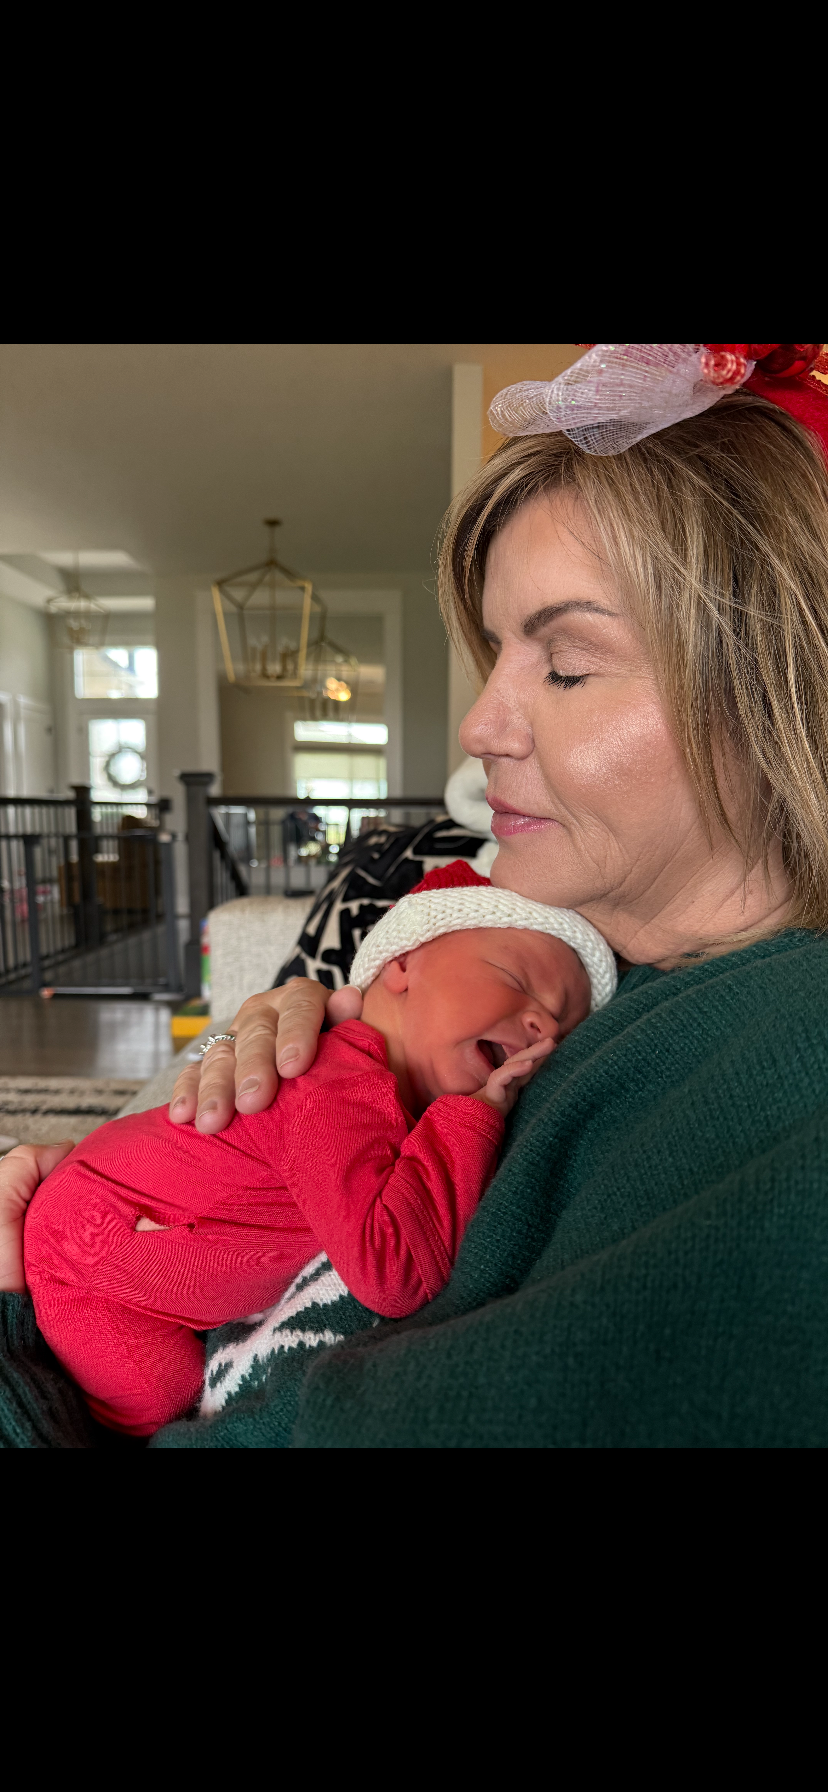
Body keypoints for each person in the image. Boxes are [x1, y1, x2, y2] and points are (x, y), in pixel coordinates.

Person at [5, 340, 828, 1448]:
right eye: (496, 655)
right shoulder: (581, 973)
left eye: (567, 663)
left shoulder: (777, 1093)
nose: (479, 727)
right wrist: (317, 1028)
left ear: (784, 691)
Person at [20, 864, 608, 1434]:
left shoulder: (382, 1090)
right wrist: (471, 1119)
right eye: (516, 980)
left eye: (565, 1027)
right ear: (403, 963)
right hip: (88, 1238)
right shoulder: (335, 1082)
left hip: (109, 1211)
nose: (544, 1026)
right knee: (160, 1396)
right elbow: (396, 1273)